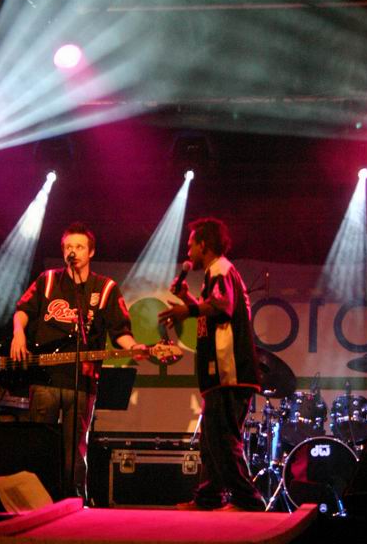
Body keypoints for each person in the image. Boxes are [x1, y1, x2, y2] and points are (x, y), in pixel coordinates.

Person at [11, 221, 146, 500]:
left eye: (80, 247)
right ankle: (38, 501)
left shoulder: (105, 288)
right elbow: (22, 310)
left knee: (75, 449)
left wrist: (134, 348)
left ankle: (74, 501)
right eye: (69, 247)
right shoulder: (48, 280)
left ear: (91, 252)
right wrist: (18, 334)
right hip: (45, 379)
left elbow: (120, 331)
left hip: (82, 381)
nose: (73, 252)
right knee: (40, 444)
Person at [158, 216, 265, 512]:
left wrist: (188, 310)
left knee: (223, 438)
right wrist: (189, 300)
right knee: (211, 440)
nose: (188, 251)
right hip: (220, 374)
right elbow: (214, 310)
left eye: (191, 244)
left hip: (229, 373)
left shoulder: (220, 268)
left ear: (204, 245)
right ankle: (209, 496)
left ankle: (248, 500)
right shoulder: (215, 273)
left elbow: (222, 307)